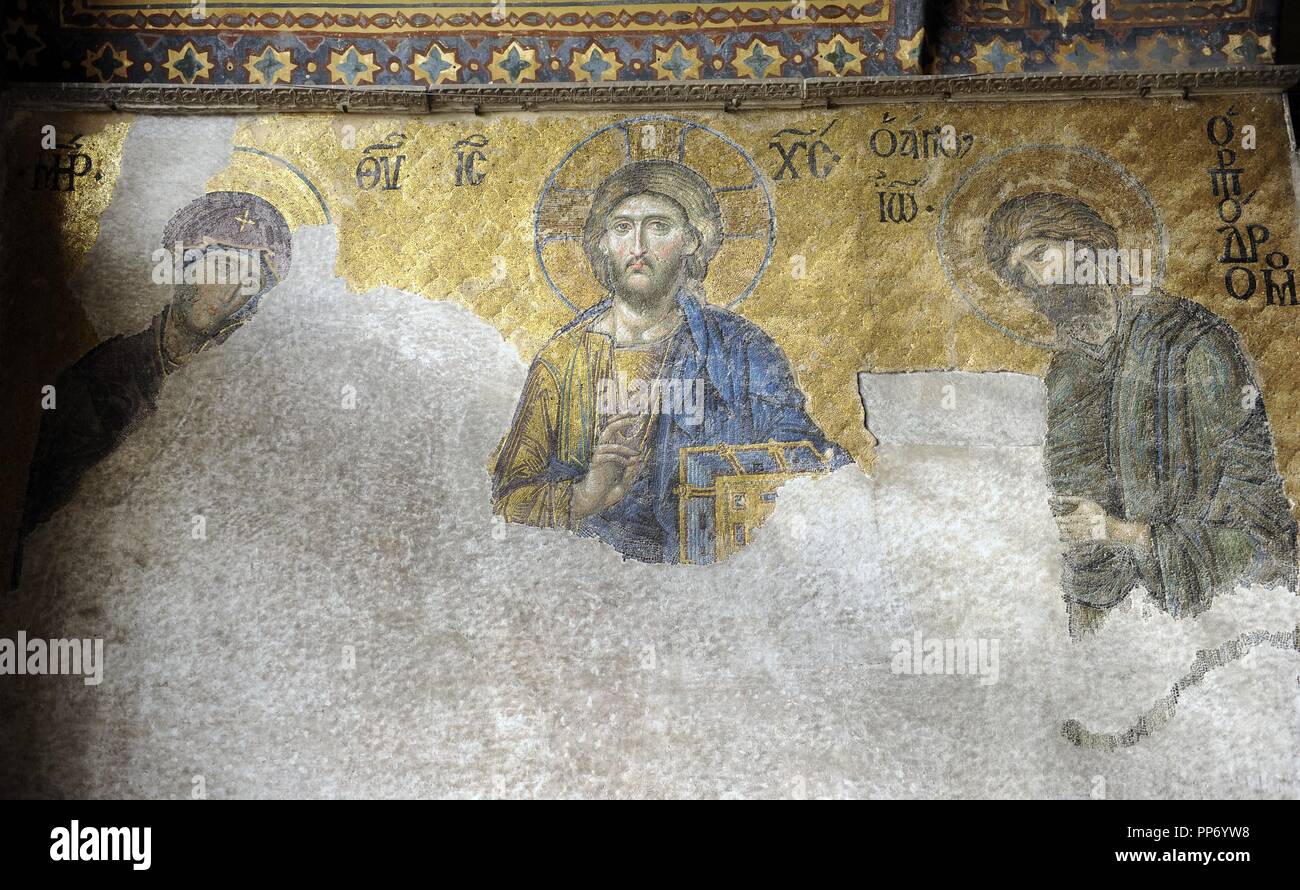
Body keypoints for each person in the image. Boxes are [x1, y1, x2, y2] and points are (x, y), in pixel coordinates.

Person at [492, 159, 847, 563]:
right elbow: (505, 499)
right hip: (592, 580)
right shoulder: (562, 361)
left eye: (658, 226)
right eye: (622, 227)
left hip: (716, 578)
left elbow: (813, 464)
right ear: (604, 242)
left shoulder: (743, 351)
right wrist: (585, 496)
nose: (638, 246)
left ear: (693, 240)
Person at [984, 191, 1297, 635]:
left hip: (1220, 624)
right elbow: (1073, 513)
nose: (1035, 280)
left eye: (1040, 254)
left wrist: (1125, 533)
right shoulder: (1066, 374)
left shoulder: (1192, 345)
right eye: (1020, 273)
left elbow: (1265, 535)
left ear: (1088, 245)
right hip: (1116, 630)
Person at [11, 191, 291, 589]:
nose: (227, 293)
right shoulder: (104, 376)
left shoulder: (230, 398)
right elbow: (42, 514)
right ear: (183, 269)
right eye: (222, 267)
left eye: (246, 283)